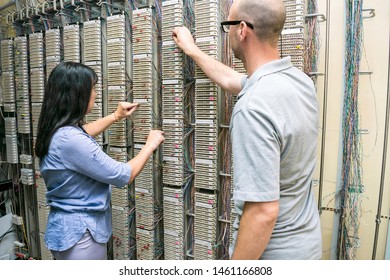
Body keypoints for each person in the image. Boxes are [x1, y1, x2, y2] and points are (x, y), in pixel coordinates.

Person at [172, 0, 321, 259]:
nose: (227, 33)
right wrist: (192, 50)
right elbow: (231, 79)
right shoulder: (299, 81)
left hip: (273, 256)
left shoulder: (252, 108)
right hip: (306, 247)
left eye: (227, 26)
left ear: (242, 30)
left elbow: (263, 213)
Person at [35, 61, 165, 260]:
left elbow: (82, 134)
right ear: (77, 94)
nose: (95, 93)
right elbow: (123, 175)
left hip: (65, 230)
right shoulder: (70, 140)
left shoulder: (56, 130)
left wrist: (115, 116)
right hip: (80, 237)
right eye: (92, 88)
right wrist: (150, 144)